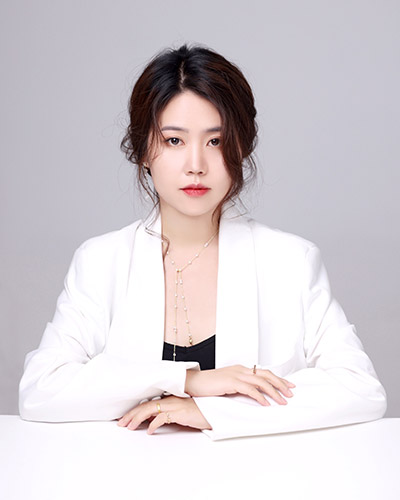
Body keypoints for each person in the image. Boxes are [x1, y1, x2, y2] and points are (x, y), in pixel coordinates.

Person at [19, 44, 387, 440]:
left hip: (257, 472)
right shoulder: (101, 261)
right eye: (174, 141)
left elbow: (359, 388)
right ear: (143, 150)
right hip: (128, 472)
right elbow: (41, 391)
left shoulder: (290, 261)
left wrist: (209, 409)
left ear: (240, 148)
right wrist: (188, 380)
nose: (196, 165)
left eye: (215, 141)